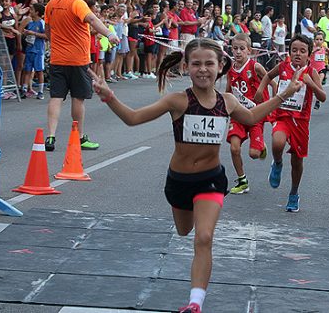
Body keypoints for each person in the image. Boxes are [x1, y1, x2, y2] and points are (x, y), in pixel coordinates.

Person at [89, 38, 304, 313]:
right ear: (187, 67)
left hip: (210, 180)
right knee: (184, 230)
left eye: (209, 63)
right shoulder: (177, 100)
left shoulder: (227, 101)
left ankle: (195, 303)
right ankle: (193, 277)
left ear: (220, 66)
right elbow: (133, 118)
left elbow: (250, 118)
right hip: (179, 182)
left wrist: (284, 95)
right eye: (196, 64)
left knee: (203, 237)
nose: (203, 69)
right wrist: (109, 96)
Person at [44, 0, 120, 152]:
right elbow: (93, 20)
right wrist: (109, 34)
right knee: (78, 99)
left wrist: (55, 44)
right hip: (77, 60)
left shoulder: (51, 3)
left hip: (58, 58)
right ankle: (78, 137)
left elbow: (48, 29)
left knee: (56, 97)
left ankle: (51, 136)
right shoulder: (77, 4)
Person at [255, 35, 326, 212]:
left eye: (302, 51)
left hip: (301, 122)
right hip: (282, 116)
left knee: (297, 161)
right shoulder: (283, 67)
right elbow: (267, 75)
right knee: (277, 142)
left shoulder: (312, 72)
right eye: (294, 50)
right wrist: (260, 89)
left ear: (309, 55)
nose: (297, 54)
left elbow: (322, 97)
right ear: (289, 52)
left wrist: (312, 85)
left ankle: (294, 193)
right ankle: (277, 163)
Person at [226, 34, 275, 194]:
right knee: (234, 148)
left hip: (255, 115)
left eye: (242, 49)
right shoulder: (230, 69)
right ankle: (242, 181)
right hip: (238, 114)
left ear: (249, 50)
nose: (238, 52)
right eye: (235, 48)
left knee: (254, 154)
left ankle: (260, 146)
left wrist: (267, 98)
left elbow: (273, 83)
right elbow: (228, 90)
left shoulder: (255, 67)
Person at [21, 3, 47, 100]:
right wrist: (26, 34)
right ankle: (24, 89)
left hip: (38, 50)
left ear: (37, 12)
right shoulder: (30, 23)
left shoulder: (41, 23)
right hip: (29, 49)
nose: (30, 11)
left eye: (32, 10)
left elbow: (46, 36)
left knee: (39, 71)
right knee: (27, 70)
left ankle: (40, 91)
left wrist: (34, 33)